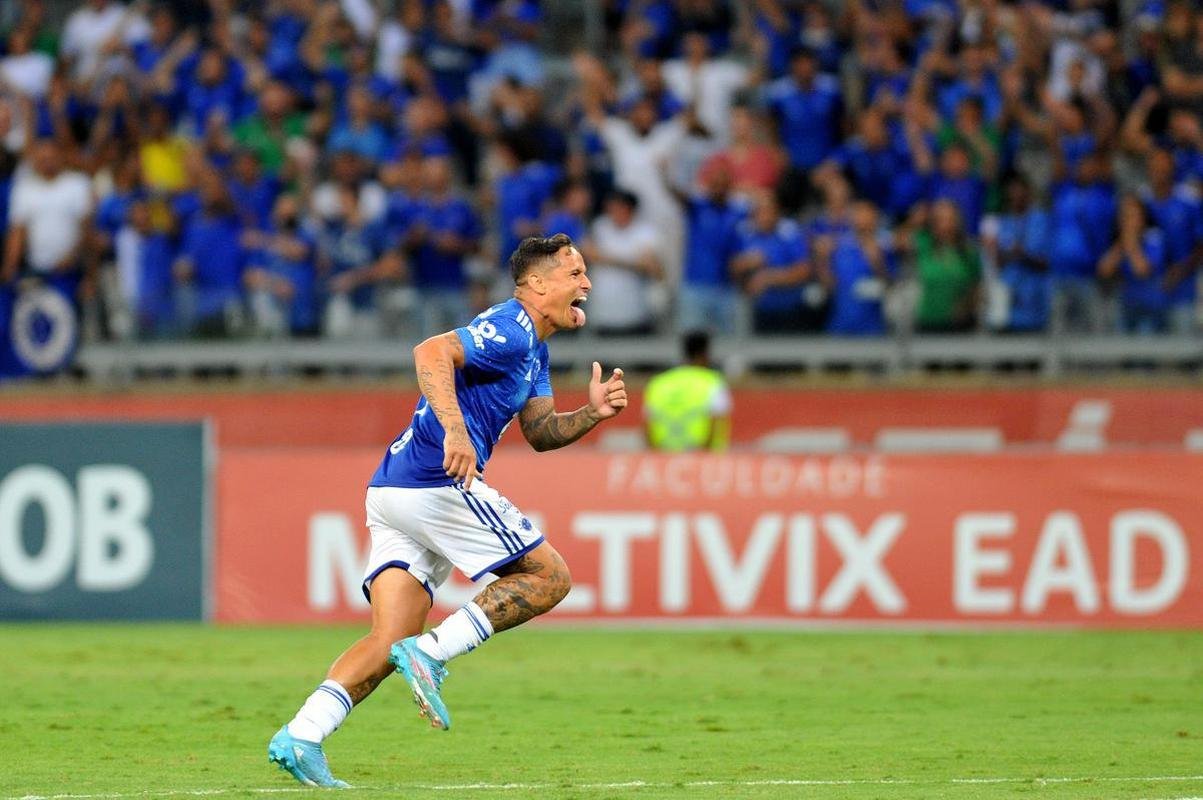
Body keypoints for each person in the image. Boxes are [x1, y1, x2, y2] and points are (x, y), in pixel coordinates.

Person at [268, 233, 628, 787]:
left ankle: (302, 734)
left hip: (392, 490)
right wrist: (456, 432)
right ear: (536, 284)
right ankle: (433, 654)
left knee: (388, 641)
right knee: (550, 577)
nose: (586, 283)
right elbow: (430, 350)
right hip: (435, 480)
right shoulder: (509, 327)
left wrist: (592, 413)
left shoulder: (535, 349)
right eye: (574, 273)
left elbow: (539, 431)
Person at [643, 330, 732, 452]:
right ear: (705, 353)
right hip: (704, 462)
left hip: (665, 461)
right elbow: (714, 422)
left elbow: (647, 428)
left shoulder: (659, 383)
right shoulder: (712, 382)